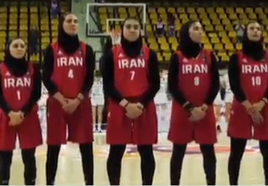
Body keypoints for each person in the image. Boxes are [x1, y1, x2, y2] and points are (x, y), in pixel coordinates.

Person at [102, 17, 160, 185]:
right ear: (122, 30)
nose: (133, 29)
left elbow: (155, 83)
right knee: (116, 150)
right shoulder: (111, 54)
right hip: (120, 105)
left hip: (144, 106)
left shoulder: (150, 54)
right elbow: (108, 84)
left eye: (136, 27)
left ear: (140, 31)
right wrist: (126, 104)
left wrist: (140, 104)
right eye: (129, 26)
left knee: (146, 150)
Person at [42, 13, 95, 185]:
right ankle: (50, 181)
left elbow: (89, 79)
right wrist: (62, 99)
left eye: (75, 21)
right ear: (61, 24)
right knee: (54, 147)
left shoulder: (87, 49)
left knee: (86, 146)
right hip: (58, 103)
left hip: (80, 103)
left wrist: (77, 99)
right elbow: (46, 77)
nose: (73, 23)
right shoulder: (52, 49)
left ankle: (89, 182)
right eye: (69, 21)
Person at [168, 20, 220, 185]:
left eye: (201, 28)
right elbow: (172, 86)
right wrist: (189, 107)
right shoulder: (177, 57)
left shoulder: (209, 55)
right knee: (178, 151)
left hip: (205, 110)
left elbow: (215, 84)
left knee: (208, 151)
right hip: (183, 110)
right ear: (187, 33)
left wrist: (204, 106)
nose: (200, 32)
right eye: (196, 29)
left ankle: (211, 182)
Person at [227, 21, 268, 185]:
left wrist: (262, 103)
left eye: (259, 28)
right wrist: (250, 107)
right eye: (252, 28)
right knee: (236, 152)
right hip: (242, 107)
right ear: (246, 33)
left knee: (267, 152)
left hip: (265, 107)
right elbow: (234, 84)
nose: (256, 31)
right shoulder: (236, 57)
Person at [0, 38, 42, 185]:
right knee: (4, 156)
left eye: (22, 46)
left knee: (29, 156)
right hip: (6, 117)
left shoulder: (34, 68)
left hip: (28, 116)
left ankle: (30, 182)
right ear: (8, 48)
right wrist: (9, 112)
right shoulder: (0, 68)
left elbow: (36, 94)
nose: (19, 48)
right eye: (15, 45)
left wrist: (22, 112)